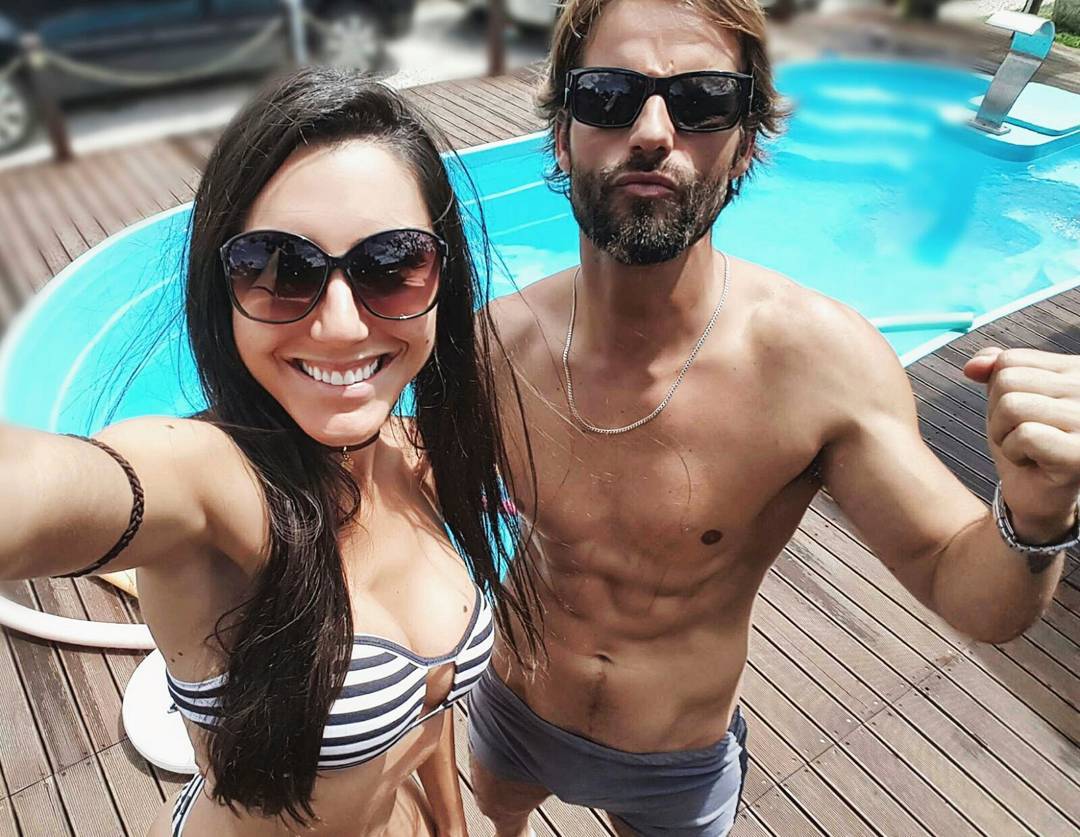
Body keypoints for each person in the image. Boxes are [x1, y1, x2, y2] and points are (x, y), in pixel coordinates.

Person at [466, 1, 1080, 835]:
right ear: (562, 136)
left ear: (746, 143)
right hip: (515, 710)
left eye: (703, 100)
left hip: (673, 758)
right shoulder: (494, 344)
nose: (652, 132)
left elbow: (965, 587)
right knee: (495, 819)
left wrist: (1036, 516)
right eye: (607, 94)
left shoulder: (815, 362)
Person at [0, 66, 542, 836]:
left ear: (441, 277)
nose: (342, 324)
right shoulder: (210, 484)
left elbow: (432, 704)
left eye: (391, 264)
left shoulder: (416, 456)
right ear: (224, 289)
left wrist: (452, 826)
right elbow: (54, 489)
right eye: (281, 269)